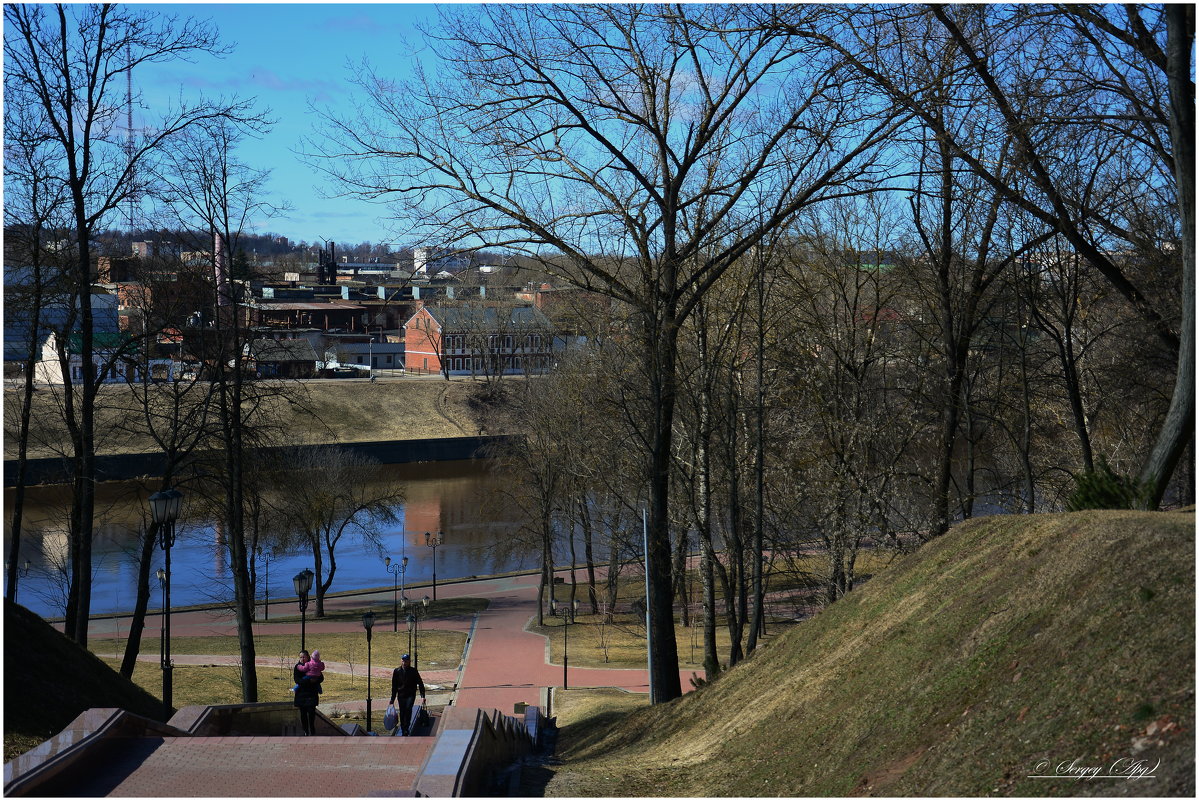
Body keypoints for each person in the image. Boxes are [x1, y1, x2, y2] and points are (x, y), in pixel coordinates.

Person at [388, 653, 426, 736]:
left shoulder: (413, 671)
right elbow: (394, 686)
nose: (404, 663)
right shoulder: (397, 671)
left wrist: (422, 696)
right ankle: (403, 728)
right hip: (401, 695)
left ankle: (406, 727)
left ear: (409, 662)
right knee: (402, 711)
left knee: (408, 709)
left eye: (406, 661)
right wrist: (392, 699)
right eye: (403, 661)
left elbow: (420, 683)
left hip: (410, 695)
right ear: (401, 661)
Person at [293, 649, 322, 735]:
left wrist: (315, 680)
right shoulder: (297, 667)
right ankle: (305, 731)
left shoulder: (313, 665)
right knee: (303, 714)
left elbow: (321, 677)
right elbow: (297, 680)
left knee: (311, 713)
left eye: (304, 657)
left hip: (311, 694)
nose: (302, 659)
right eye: (300, 657)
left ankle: (312, 730)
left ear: (308, 657)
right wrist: (309, 681)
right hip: (301, 695)